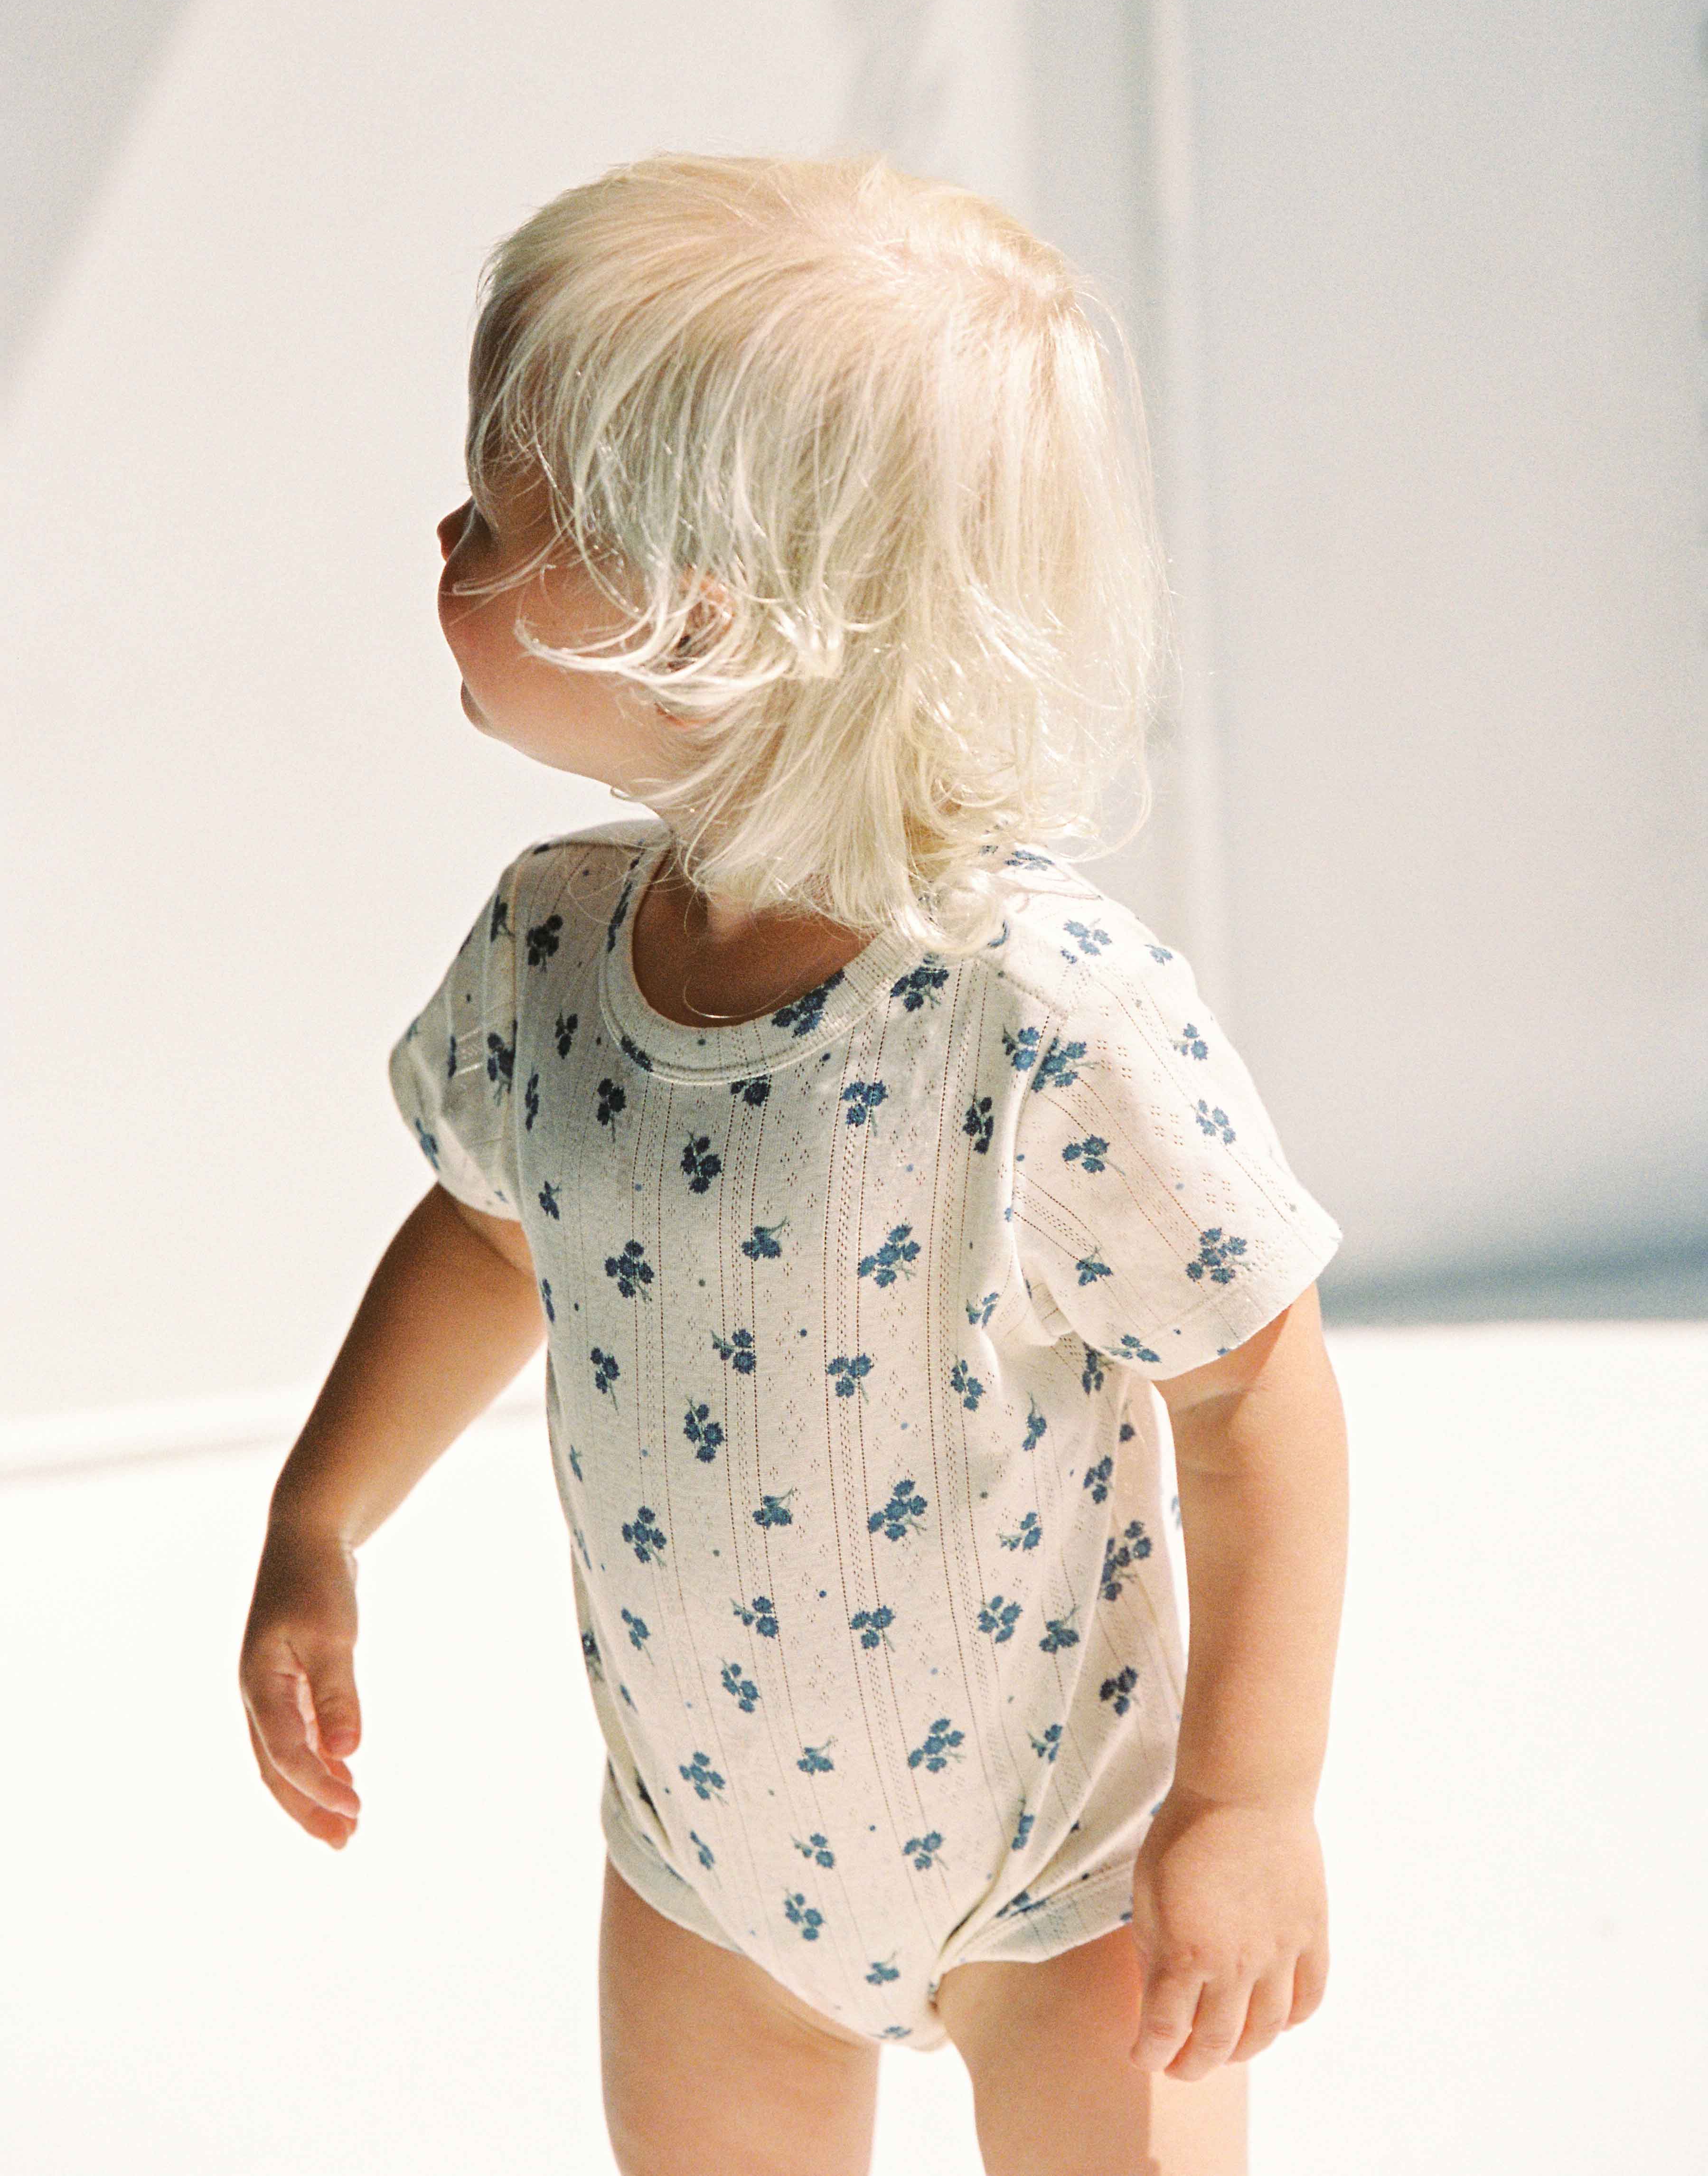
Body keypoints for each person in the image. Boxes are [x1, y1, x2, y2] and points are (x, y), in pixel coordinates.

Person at [239, 152, 1349, 2176]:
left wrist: (1251, 1805)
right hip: (707, 1863)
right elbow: (496, 1235)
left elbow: (1254, 1391)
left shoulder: (1038, 1016)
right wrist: (323, 1518)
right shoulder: (552, 953)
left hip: (1064, 1879)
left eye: (496, 513)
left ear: (699, 622)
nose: (442, 534)